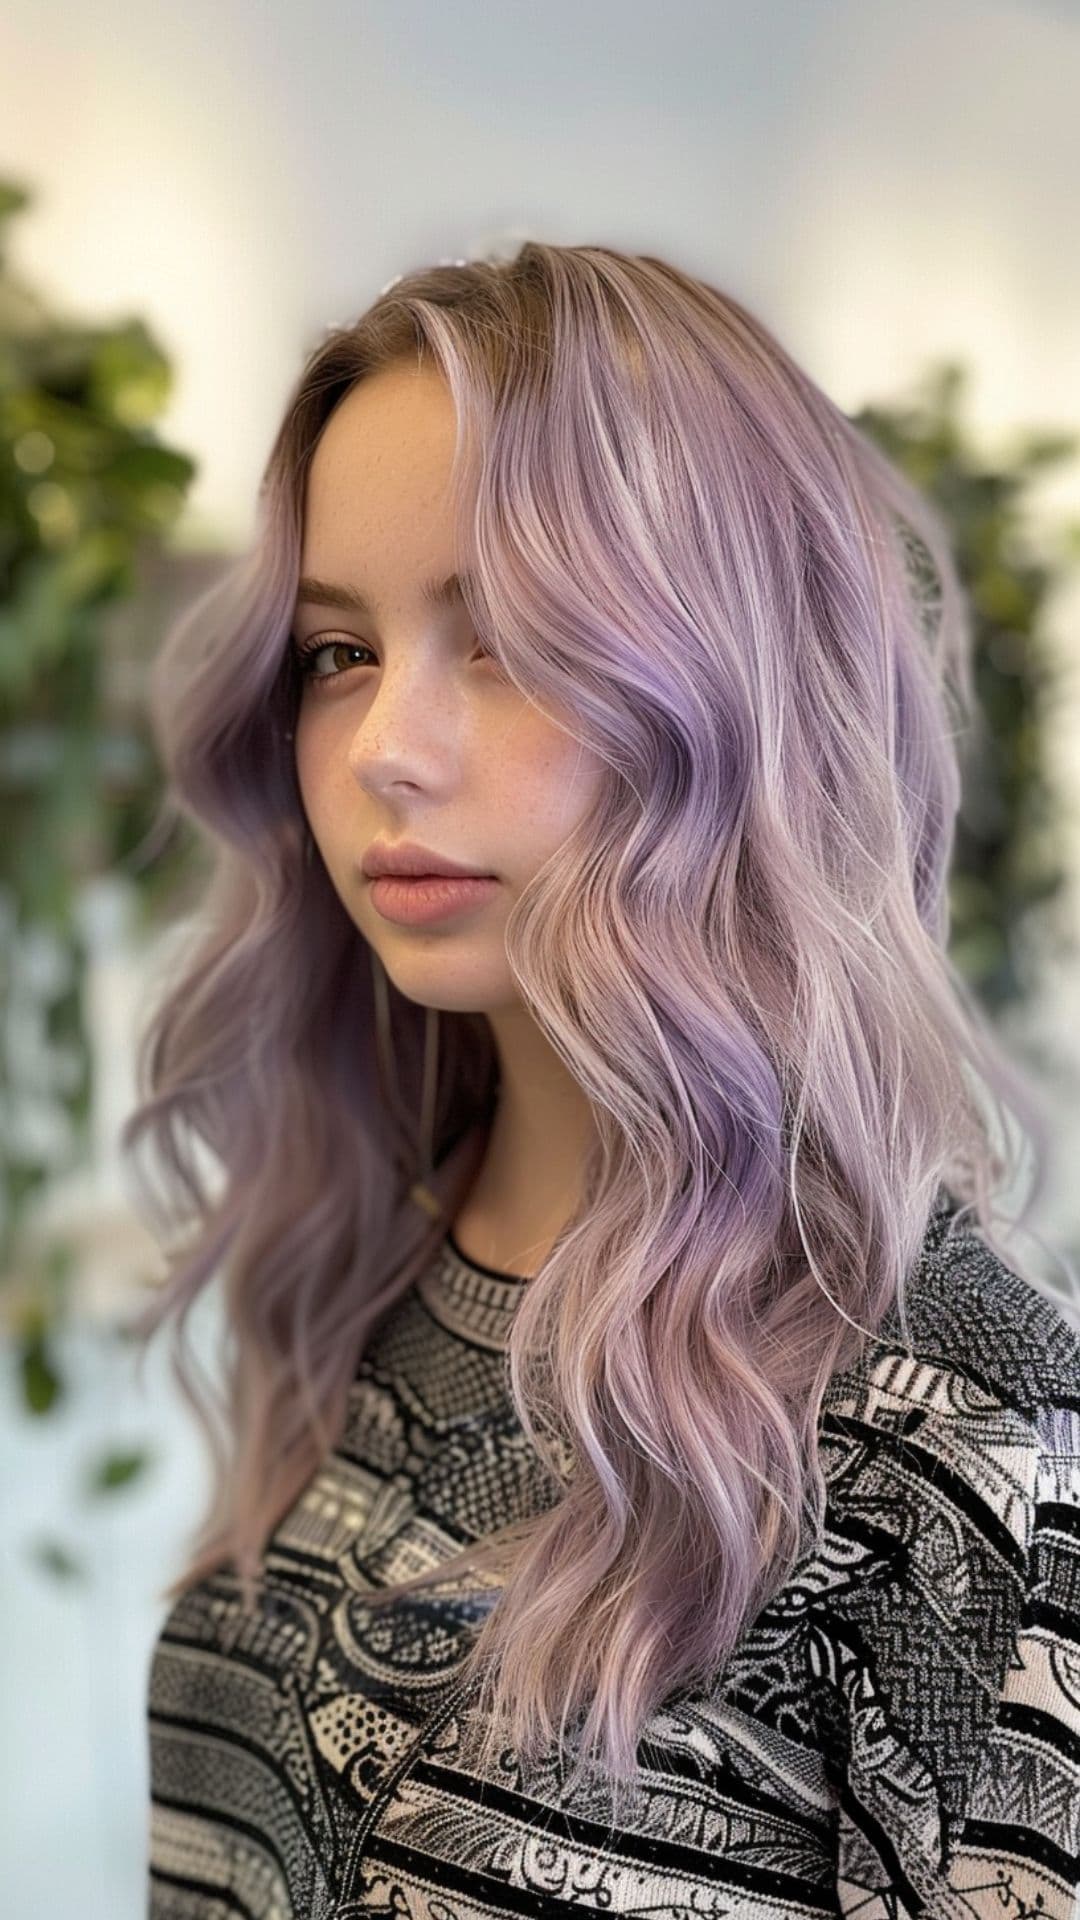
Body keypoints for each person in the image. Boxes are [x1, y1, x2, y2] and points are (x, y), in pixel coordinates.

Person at [124, 242, 1080, 1918]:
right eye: (337, 653)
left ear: (742, 685)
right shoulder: (360, 1278)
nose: (382, 750)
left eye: (505, 639)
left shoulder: (970, 1439)